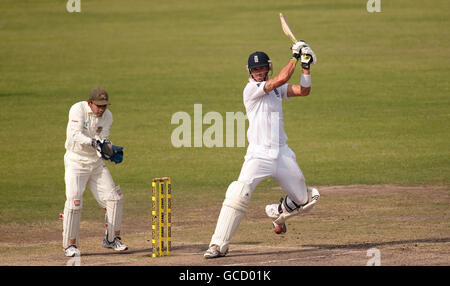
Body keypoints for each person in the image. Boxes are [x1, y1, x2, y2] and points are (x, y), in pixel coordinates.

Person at [204, 41, 320, 259]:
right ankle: (218, 245)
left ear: (268, 68)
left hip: (282, 153)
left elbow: (304, 91)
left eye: (262, 68)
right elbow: (283, 78)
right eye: (255, 69)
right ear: (250, 72)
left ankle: (278, 211)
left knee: (304, 199)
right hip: (258, 155)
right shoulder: (250, 89)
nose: (259, 73)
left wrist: (306, 67)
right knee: (238, 193)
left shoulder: (276, 91)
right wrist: (295, 56)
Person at [62, 87, 127, 257]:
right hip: (76, 161)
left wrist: (107, 151)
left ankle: (112, 239)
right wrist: (94, 143)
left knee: (115, 198)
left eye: (104, 106)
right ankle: (70, 245)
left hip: (95, 163)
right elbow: (75, 135)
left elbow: (102, 139)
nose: (101, 109)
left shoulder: (108, 116)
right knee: (74, 199)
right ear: (90, 103)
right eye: (98, 106)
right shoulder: (78, 109)